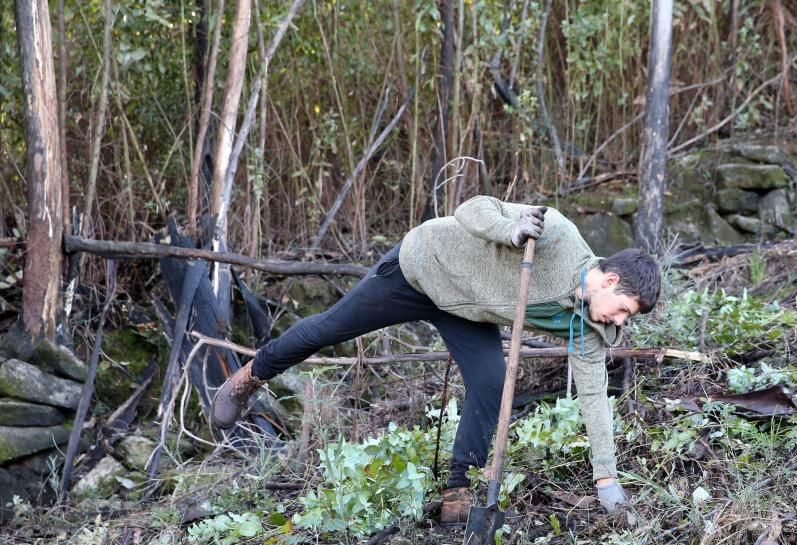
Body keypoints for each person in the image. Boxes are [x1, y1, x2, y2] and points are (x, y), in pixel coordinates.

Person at [212, 196, 661, 522]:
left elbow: (595, 397)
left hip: (467, 310)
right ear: (610, 279)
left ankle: (457, 494)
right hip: (422, 269)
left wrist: (607, 480)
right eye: (623, 309)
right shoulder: (556, 234)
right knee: (329, 328)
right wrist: (509, 228)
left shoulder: (591, 327)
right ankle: (247, 379)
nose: (620, 322)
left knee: (489, 381)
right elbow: (471, 207)